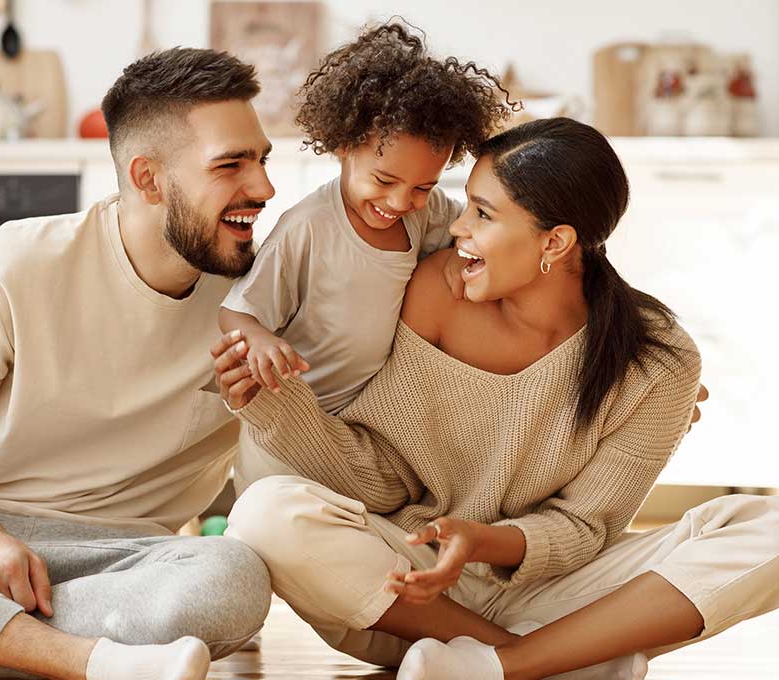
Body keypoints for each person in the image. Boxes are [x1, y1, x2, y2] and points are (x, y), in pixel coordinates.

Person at [213, 118, 778, 679]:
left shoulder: (658, 359)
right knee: (266, 514)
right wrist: (276, 404)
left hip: (557, 593)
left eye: (482, 215)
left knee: (769, 525)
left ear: (554, 242)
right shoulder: (440, 292)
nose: (457, 229)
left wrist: (484, 540)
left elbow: (585, 529)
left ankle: (504, 665)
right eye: (465, 207)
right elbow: (383, 476)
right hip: (410, 599)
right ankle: (548, 664)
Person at [0, 47, 275, 680]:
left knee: (231, 582)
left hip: (124, 557)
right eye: (231, 164)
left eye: (261, 159)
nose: (262, 188)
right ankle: (82, 659)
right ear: (148, 179)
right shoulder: (13, 268)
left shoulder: (266, 294)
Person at [219, 22, 509, 490]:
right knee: (280, 530)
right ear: (343, 146)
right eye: (384, 180)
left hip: (359, 430)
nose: (399, 202)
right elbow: (236, 312)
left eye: (422, 186)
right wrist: (259, 340)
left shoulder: (424, 212)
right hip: (286, 435)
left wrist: (464, 254)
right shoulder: (308, 228)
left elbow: (466, 231)